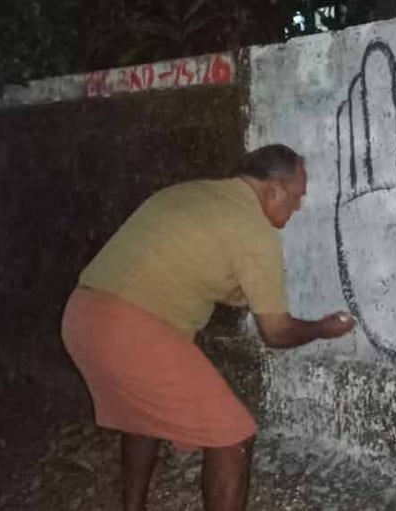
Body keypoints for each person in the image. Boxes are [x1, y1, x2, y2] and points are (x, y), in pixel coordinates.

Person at [61, 144, 355, 511]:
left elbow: (202, 271)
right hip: (131, 329)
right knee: (232, 436)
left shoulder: (188, 194)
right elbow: (275, 333)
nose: (297, 208)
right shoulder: (254, 230)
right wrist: (322, 329)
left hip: (81, 316)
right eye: (296, 198)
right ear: (273, 189)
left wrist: (254, 294)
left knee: (141, 415)